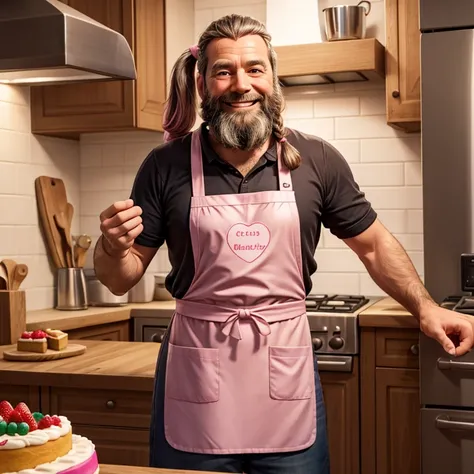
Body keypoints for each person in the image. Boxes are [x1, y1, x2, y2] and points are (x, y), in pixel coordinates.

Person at [93, 14, 474, 474]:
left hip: (284, 372)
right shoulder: (164, 166)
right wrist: (111, 249)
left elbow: (374, 246)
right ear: (201, 83)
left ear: (272, 79)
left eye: (254, 69)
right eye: (223, 71)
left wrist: (426, 308)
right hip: (197, 377)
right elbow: (120, 278)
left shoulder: (315, 159)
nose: (241, 84)